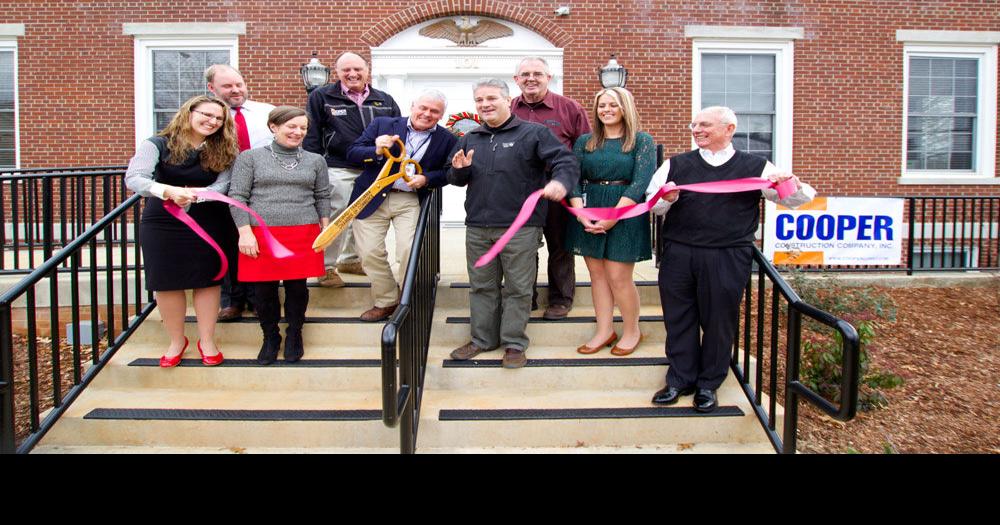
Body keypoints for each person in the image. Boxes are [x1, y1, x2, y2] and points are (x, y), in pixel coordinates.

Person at [647, 106, 816, 412]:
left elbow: (795, 200)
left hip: (727, 254)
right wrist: (665, 200)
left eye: (705, 125)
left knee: (719, 319)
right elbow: (652, 204)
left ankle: (709, 383)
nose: (696, 130)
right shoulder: (676, 165)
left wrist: (789, 181)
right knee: (678, 317)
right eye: (694, 125)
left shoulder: (756, 166)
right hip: (679, 252)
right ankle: (680, 379)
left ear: (729, 129)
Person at [447, 79, 580, 369]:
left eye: (492, 98)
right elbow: (455, 179)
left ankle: (514, 343)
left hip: (520, 227)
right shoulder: (471, 137)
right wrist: (459, 171)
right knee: (482, 286)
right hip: (479, 227)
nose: (486, 104)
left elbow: (565, 161)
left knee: (519, 288)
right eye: (480, 100)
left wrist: (559, 182)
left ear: (509, 100)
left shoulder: (534, 133)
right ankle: (482, 340)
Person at [124, 95, 239, 367]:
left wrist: (200, 194)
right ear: (189, 112)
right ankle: (177, 341)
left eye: (219, 119)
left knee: (208, 280)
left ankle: (207, 340)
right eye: (206, 115)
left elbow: (225, 183)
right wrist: (167, 191)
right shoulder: (156, 144)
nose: (212, 121)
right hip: (163, 221)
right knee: (166, 282)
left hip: (208, 218)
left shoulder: (224, 150)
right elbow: (135, 178)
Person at [227, 106, 331, 364]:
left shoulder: (315, 160)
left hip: (303, 231)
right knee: (264, 290)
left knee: (297, 288)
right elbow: (237, 197)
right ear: (273, 126)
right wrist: (244, 232)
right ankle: (270, 336)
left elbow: (322, 196)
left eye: (303, 128)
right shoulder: (249, 158)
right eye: (291, 126)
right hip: (261, 233)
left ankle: (295, 333)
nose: (298, 132)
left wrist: (326, 228)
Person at [345, 90, 457, 322]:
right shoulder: (383, 124)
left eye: (434, 111)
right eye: (422, 108)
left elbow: (448, 172)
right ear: (412, 105)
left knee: (409, 250)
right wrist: (375, 149)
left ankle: (409, 301)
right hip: (371, 196)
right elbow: (352, 153)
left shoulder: (447, 139)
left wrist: (427, 179)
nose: (426, 114)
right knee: (369, 253)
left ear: (441, 115)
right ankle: (386, 300)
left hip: (408, 200)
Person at [566, 87, 655, 357]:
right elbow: (573, 179)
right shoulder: (585, 141)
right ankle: (604, 330)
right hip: (589, 210)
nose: (606, 110)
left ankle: (631, 330)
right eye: (601, 105)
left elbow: (640, 183)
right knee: (597, 276)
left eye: (613, 105)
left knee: (618, 277)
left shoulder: (641, 141)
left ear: (625, 107)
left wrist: (612, 219)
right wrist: (581, 214)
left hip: (624, 212)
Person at [304, 52, 401, 288]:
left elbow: (399, 131)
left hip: (374, 168)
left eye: (357, 69)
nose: (352, 74)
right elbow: (312, 133)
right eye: (346, 70)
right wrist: (314, 166)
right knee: (338, 213)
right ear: (336, 72)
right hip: (338, 166)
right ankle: (325, 267)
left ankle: (350, 259)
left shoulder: (384, 99)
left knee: (364, 215)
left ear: (367, 70)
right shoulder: (322, 96)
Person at [511, 57, 591, 320]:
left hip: (559, 188)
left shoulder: (569, 108)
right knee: (523, 247)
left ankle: (560, 299)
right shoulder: (508, 107)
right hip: (521, 190)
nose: (531, 78)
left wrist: (575, 188)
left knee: (560, 246)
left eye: (537, 73)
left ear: (549, 77)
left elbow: (585, 150)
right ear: (516, 80)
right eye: (525, 74)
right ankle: (527, 297)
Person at [205, 64, 276, 322]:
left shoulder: (266, 112)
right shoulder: (208, 115)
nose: (236, 90)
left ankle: (260, 299)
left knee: (259, 245)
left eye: (239, 84)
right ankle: (232, 300)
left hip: (261, 190)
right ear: (212, 88)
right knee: (229, 244)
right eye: (227, 86)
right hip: (223, 189)